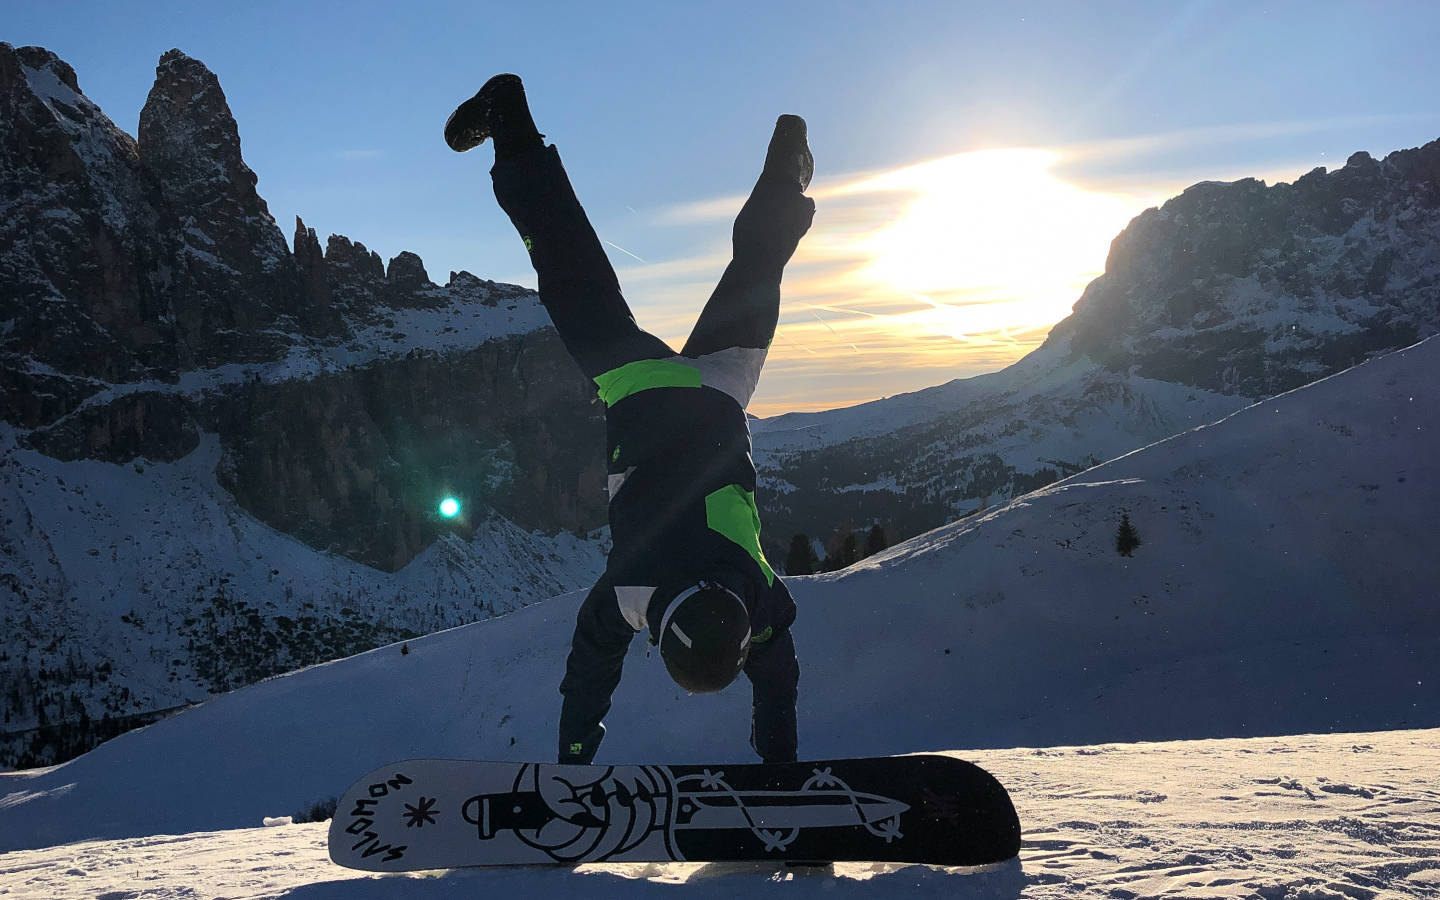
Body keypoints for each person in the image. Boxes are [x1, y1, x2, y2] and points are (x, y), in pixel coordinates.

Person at [446, 74, 814, 765]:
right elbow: (590, 670)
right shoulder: (631, 595)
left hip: (721, 384)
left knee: (759, 266)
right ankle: (508, 118)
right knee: (566, 260)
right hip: (636, 385)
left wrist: (781, 764)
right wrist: (574, 758)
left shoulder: (758, 597)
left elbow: (778, 684)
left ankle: (786, 175)